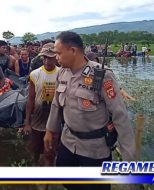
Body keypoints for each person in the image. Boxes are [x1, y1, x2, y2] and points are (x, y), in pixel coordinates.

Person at [44, 31, 136, 190]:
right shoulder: (62, 74)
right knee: (67, 182)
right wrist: (49, 130)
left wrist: (129, 161)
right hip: (68, 142)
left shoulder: (102, 75)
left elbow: (120, 117)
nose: (56, 57)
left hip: (95, 149)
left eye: (58, 53)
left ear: (73, 50)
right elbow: (55, 105)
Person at [23, 43, 59, 169]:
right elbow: (31, 99)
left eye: (50, 58)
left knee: (50, 153)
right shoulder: (34, 74)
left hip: (54, 120)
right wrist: (27, 121)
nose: (47, 61)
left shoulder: (62, 74)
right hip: (37, 119)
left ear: (56, 58)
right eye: (44, 57)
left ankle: (46, 180)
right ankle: (34, 165)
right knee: (35, 149)